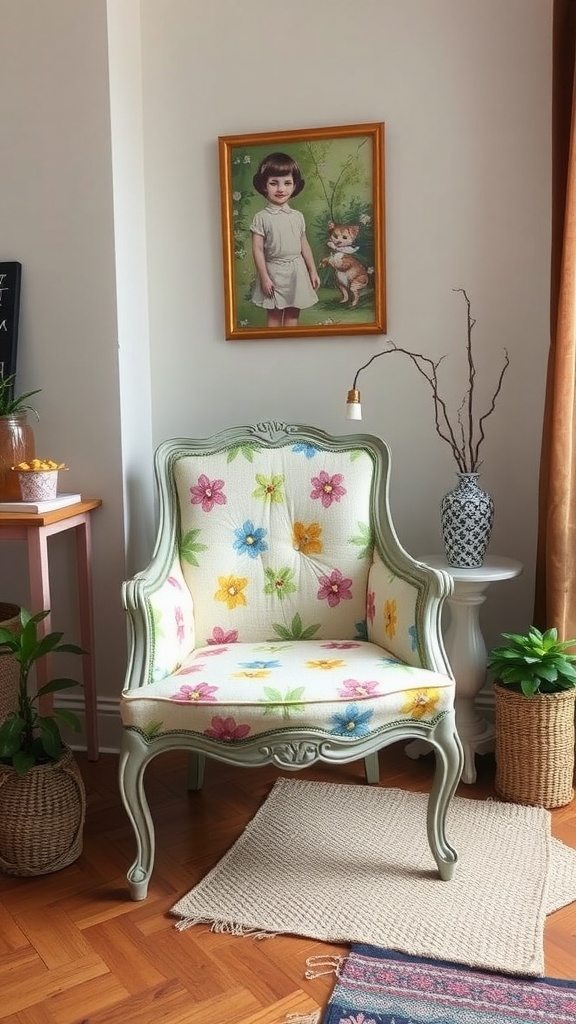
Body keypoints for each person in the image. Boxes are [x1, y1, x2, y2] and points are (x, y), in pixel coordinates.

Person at [250, 152, 319, 328]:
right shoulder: (261, 217)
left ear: (295, 186)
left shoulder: (297, 216)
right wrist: (265, 277)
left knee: (293, 315)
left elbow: (304, 244)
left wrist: (312, 270)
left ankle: (292, 351)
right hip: (273, 271)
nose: (281, 189)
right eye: (274, 183)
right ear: (264, 186)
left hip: (297, 271)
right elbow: (257, 250)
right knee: (274, 316)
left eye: (287, 183)